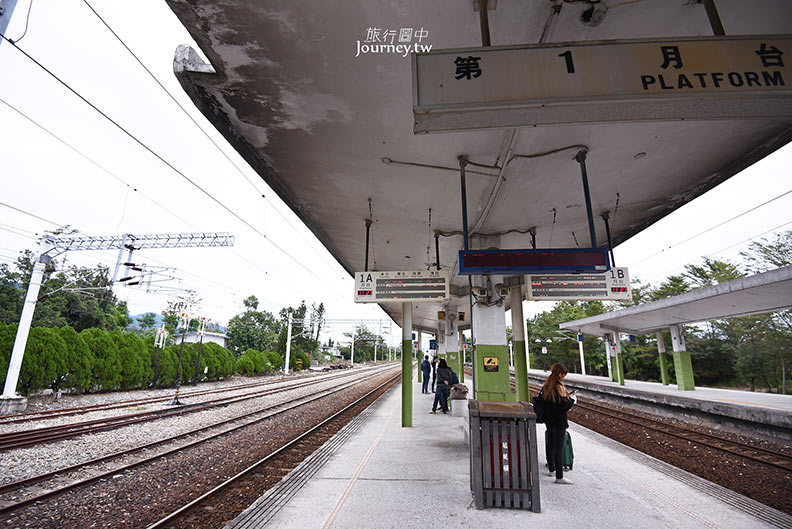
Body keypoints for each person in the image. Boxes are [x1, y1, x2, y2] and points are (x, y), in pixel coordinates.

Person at [541, 362, 576, 484]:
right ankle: (559, 477)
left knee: (550, 444)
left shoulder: (547, 385)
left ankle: (552, 469)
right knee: (558, 448)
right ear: (560, 374)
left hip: (549, 420)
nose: (564, 376)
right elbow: (564, 406)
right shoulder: (559, 387)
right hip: (559, 421)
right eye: (564, 374)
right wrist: (572, 400)